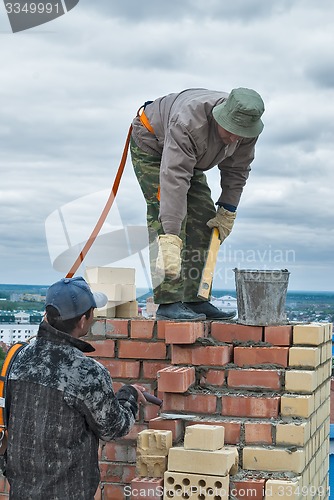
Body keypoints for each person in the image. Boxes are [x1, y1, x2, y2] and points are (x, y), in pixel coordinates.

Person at [130, 87, 265, 321]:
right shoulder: (189, 122)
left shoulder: (247, 130)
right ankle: (168, 302)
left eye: (241, 133)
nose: (236, 138)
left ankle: (195, 299)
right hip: (153, 144)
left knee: (204, 219)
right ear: (219, 116)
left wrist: (227, 210)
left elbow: (237, 170)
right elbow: (175, 178)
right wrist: (171, 233)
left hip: (189, 159)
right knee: (168, 220)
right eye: (231, 130)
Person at [5, 276, 146, 499]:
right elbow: (114, 428)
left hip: (22, 491)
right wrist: (129, 396)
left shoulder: (20, 356)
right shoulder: (85, 371)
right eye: (92, 312)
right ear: (82, 321)